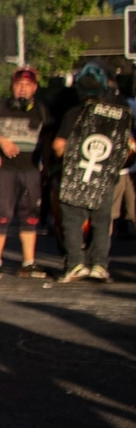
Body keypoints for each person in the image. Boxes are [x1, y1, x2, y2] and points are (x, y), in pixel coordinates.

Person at [53, 64, 136, 283]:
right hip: (104, 180)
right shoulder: (117, 116)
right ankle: (100, 264)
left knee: (72, 222)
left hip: (76, 178)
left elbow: (58, 146)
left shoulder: (74, 114)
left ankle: (76, 264)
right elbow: (130, 146)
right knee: (101, 222)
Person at [0, 67, 49, 279]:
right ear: (12, 87)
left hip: (31, 171)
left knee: (30, 217)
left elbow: (50, 136)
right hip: (4, 170)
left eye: (27, 85)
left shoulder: (41, 111)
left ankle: (28, 263)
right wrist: (0, 141)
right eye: (18, 85)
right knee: (1, 216)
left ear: (34, 88)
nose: (22, 89)